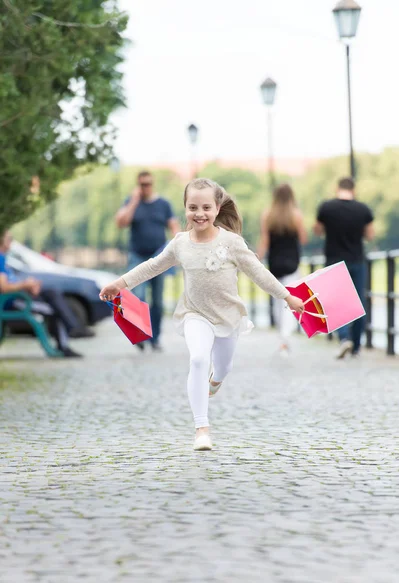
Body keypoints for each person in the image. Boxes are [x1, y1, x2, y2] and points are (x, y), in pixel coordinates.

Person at [100, 178, 305, 451]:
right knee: (198, 359)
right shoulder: (180, 243)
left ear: (218, 208)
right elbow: (151, 267)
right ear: (185, 208)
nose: (200, 214)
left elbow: (259, 273)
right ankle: (201, 429)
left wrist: (287, 296)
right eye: (193, 207)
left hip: (228, 317)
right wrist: (120, 283)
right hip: (194, 313)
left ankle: (215, 380)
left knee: (223, 368)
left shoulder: (232, 243)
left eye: (206, 207)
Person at [115, 170, 180, 351]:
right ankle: (141, 334)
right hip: (137, 256)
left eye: (148, 184)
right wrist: (134, 201)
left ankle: (155, 338)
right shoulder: (131, 202)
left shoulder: (163, 204)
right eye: (142, 184)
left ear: (153, 184)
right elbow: (121, 222)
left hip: (159, 257)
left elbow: (174, 226)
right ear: (138, 185)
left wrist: (179, 247)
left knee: (158, 301)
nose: (146, 188)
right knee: (138, 296)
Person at [314, 177, 375, 359]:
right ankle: (356, 345)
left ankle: (343, 339)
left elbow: (317, 230)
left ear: (337, 188)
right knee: (358, 302)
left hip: (333, 260)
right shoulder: (363, 209)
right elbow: (370, 235)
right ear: (353, 190)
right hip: (356, 260)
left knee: (336, 301)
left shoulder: (326, 208)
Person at [0, 231, 83, 358]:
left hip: (20, 296)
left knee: (51, 292)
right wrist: (25, 285)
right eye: (9, 239)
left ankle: (73, 326)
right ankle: (66, 342)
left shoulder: (4, 259)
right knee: (54, 309)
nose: (11, 242)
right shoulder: (0, 259)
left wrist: (29, 286)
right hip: (13, 301)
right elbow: (4, 287)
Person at [257, 183, 308, 356]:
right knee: (292, 299)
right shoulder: (296, 215)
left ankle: (282, 336)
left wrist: (256, 259)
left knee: (279, 299)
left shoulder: (267, 215)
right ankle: (286, 336)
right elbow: (303, 239)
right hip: (292, 263)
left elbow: (264, 241)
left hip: (275, 263)